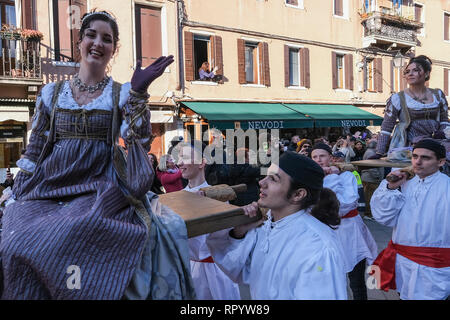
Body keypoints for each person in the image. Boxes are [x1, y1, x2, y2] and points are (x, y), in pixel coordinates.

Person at [0, 10, 195, 300]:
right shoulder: (51, 93)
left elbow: (139, 140)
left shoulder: (121, 93)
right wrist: (17, 191)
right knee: (14, 241)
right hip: (49, 186)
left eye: (107, 39)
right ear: (79, 41)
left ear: (113, 49)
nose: (97, 43)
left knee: (78, 232)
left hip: (99, 186)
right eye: (91, 35)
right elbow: (36, 148)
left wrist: (139, 93)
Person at [206, 151, 348, 299]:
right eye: (266, 175)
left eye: (273, 179)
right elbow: (243, 271)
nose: (261, 182)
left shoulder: (317, 248)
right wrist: (238, 233)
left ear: (298, 194)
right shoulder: (267, 225)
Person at [370, 139, 450, 300]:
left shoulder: (447, 188)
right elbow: (384, 217)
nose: (418, 162)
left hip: (435, 265)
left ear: (441, 162)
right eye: (415, 156)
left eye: (425, 158)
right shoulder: (405, 185)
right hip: (402, 262)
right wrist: (390, 187)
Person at [311, 143, 377, 300]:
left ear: (331, 157)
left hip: (350, 233)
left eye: (322, 156)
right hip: (325, 235)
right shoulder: (311, 180)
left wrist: (332, 176)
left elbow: (343, 205)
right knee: (330, 281)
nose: (318, 160)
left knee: (356, 282)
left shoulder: (347, 176)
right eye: (314, 157)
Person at [177, 141, 240, 300]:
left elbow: (226, 239)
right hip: (187, 271)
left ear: (202, 162)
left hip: (215, 273)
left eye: (184, 157)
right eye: (179, 158)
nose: (179, 163)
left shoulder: (217, 196)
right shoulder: (177, 198)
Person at [372, 55, 449, 158]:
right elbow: (387, 127)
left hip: (434, 145)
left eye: (416, 70)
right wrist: (379, 152)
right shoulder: (398, 98)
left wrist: (442, 134)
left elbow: (444, 120)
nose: (410, 74)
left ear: (426, 74)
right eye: (407, 72)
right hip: (407, 148)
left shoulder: (438, 95)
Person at [360, 140, 384, 219]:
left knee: (369, 196)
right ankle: (368, 214)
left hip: (369, 178)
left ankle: (368, 213)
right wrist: (377, 176)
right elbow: (371, 167)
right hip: (370, 179)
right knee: (369, 197)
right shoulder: (371, 153)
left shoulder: (370, 152)